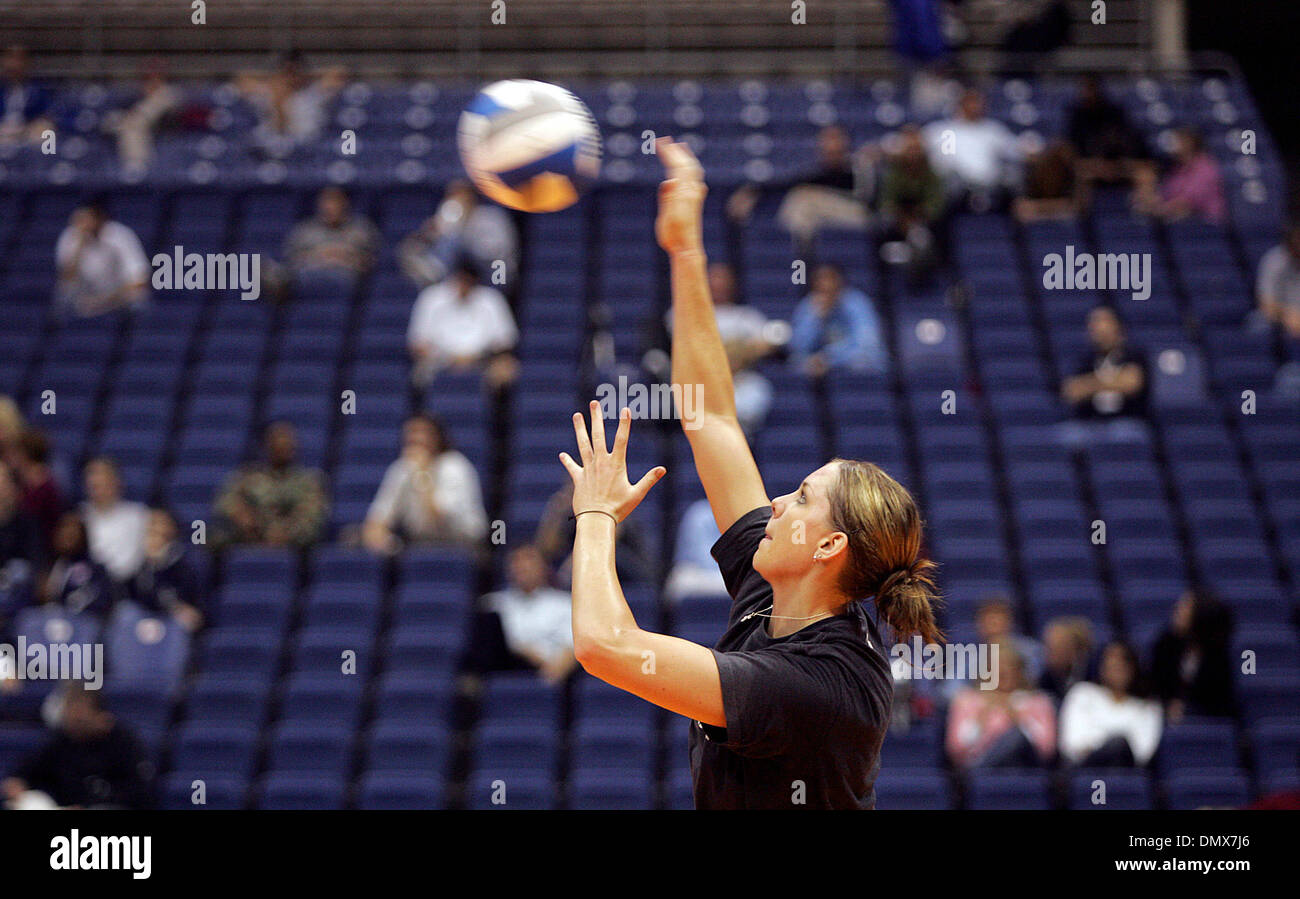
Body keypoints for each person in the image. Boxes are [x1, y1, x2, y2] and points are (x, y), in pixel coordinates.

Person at [555, 138, 940, 809]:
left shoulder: (814, 683)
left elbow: (604, 645)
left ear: (828, 547)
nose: (780, 501)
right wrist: (686, 251)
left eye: (803, 498)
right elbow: (711, 417)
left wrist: (593, 517)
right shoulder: (782, 593)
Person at [657, 262, 782, 437]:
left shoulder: (747, 316)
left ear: (732, 285)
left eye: (723, 281)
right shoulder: (683, 313)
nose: (718, 286)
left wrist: (746, 351)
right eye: (714, 280)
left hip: (740, 382)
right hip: (699, 381)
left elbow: (772, 341)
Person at [727, 124, 876, 256]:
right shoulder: (821, 171)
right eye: (826, 140)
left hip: (863, 216)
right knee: (800, 202)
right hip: (832, 217)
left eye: (835, 139)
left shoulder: (859, 165)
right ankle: (797, 264)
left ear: (846, 142)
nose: (830, 145)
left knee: (803, 200)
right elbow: (793, 181)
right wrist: (753, 191)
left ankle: (799, 261)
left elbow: (869, 199)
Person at [2, 682, 155, 809]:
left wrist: (87, 806)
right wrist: (17, 783)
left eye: (80, 717)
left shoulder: (123, 742)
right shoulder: (62, 739)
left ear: (98, 715)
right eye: (70, 713)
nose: (73, 720)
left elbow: (139, 791)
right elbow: (26, 771)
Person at [362, 414, 487, 554]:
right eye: (411, 433)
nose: (415, 439)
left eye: (422, 432)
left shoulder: (455, 466)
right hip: (420, 545)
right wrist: (381, 537)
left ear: (437, 437)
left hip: (462, 547)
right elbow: (377, 519)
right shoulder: (402, 468)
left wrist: (422, 473)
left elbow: (438, 518)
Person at [466, 544, 577, 685]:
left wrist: (551, 671)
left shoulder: (564, 604)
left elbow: (571, 648)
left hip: (552, 673)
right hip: (506, 672)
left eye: (529, 560)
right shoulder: (492, 604)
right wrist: (525, 652)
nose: (522, 566)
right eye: (516, 561)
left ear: (544, 567)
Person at [406, 257, 519, 390]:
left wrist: (475, 357)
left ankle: (498, 410)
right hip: (438, 362)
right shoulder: (431, 297)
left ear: (475, 281)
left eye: (468, 281)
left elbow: (506, 340)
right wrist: (447, 358)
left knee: (506, 368)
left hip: (482, 361)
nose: (463, 285)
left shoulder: (491, 299)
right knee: (418, 372)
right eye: (461, 280)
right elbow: (417, 342)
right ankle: (424, 410)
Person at [213, 421, 328, 549]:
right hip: (251, 541)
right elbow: (224, 502)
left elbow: (313, 515)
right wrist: (242, 516)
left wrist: (285, 533)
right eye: (278, 441)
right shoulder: (247, 476)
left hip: (294, 548)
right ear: (267, 445)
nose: (283, 445)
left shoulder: (309, 481)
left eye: (287, 441)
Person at [946, 642, 1057, 769]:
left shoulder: (1038, 702)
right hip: (978, 770)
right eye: (997, 668)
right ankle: (982, 770)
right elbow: (956, 749)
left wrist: (1019, 720)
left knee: (1016, 737)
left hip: (1027, 768)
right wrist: (979, 723)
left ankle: (982, 770)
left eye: (1009, 668)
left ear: (1020, 671)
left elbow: (1047, 750)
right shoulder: (967, 700)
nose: (1003, 673)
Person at [398, 179, 519, 289]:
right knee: (444, 242)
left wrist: (464, 231)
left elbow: (497, 251)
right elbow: (443, 243)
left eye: (461, 195)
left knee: (454, 240)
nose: (458, 200)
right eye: (453, 196)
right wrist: (431, 233)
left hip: (497, 267)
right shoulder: (452, 216)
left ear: (471, 196)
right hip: (464, 266)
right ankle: (435, 273)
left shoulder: (491, 215)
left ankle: (437, 270)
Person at [1059, 641, 1163, 768]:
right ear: (1102, 667)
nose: (1116, 670)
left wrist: (1098, 741)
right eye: (1111, 666)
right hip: (1086, 770)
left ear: (1133, 668)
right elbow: (1072, 743)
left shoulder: (1148, 707)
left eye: (1122, 667)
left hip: (1126, 772)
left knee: (1118, 745)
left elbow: (1142, 752)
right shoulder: (1082, 693)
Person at [1057, 306, 1149, 447]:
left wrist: (1089, 384)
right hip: (1090, 423)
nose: (1098, 328)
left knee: (1127, 434)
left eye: (1103, 322)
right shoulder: (1084, 359)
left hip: (1126, 420)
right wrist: (1114, 380)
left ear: (1117, 326)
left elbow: (1132, 383)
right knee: (1066, 435)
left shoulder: (1134, 355)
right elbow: (1071, 391)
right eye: (1094, 323)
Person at [924, 88, 1023, 214]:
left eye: (979, 102)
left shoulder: (993, 129)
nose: (977, 106)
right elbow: (940, 159)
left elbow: (1016, 150)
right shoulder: (946, 131)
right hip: (957, 189)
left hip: (993, 186)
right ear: (960, 104)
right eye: (972, 102)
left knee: (1013, 176)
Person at [876, 124, 949, 283]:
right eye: (910, 149)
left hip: (926, 225)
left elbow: (935, 205)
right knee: (879, 230)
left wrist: (918, 221)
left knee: (936, 234)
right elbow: (887, 204)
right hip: (898, 226)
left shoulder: (931, 174)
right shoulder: (893, 173)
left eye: (917, 149)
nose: (913, 154)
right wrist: (904, 222)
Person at [789, 262, 889, 378]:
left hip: (858, 373)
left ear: (840, 281)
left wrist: (829, 359)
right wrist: (817, 318)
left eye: (830, 279)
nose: (825, 285)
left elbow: (867, 345)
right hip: (819, 372)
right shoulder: (808, 306)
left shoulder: (857, 303)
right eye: (820, 280)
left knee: (863, 361)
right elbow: (797, 348)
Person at [1150, 588, 1235, 722]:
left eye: (1185, 607)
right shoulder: (1166, 644)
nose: (1178, 610)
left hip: (1204, 720)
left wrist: (1188, 709)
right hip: (1163, 716)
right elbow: (1155, 684)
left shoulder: (1219, 656)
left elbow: (1219, 700)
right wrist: (1168, 705)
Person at [54, 202, 151, 318]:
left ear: (99, 219)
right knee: (63, 298)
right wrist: (79, 246)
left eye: (87, 220)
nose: (83, 226)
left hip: (119, 299)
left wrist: (102, 301)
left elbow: (139, 280)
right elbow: (67, 279)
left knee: (138, 298)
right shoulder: (71, 237)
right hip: (85, 301)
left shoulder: (120, 235)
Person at [234, 50, 346, 148]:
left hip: (305, 145)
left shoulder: (311, 93)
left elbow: (339, 72)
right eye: (287, 73)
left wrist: (309, 77)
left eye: (295, 73)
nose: (291, 77)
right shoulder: (269, 91)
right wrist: (274, 81)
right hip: (272, 144)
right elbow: (241, 77)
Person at [282, 186, 379, 296]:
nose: (330, 207)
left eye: (335, 201)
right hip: (308, 279)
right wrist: (318, 256)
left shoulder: (362, 229)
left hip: (347, 279)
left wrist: (343, 256)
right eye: (327, 202)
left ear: (345, 204)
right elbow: (291, 261)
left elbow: (373, 261)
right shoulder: (304, 230)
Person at [1065, 75, 1150, 187]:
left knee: (1145, 173)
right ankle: (1080, 205)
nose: (1088, 93)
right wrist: (1097, 165)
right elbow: (1072, 148)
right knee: (1079, 173)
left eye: (1091, 88)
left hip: (1121, 164)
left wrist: (1116, 164)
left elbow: (1130, 143)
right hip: (1090, 165)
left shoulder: (1114, 113)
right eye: (1085, 89)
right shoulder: (1076, 115)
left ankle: (1142, 205)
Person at [127, 509, 204, 633]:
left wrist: (159, 565)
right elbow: (138, 595)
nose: (155, 530)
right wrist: (151, 565)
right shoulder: (141, 561)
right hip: (148, 614)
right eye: (152, 524)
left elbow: (188, 594)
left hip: (175, 614)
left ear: (171, 529)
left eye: (160, 524)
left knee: (185, 618)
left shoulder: (183, 560)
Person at [1132, 127, 1226, 224]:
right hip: (1179, 224)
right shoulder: (1176, 168)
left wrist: (1154, 209)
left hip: (1206, 227)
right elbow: (1166, 195)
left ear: (1189, 143)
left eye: (1177, 140)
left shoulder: (1205, 167)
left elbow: (1186, 204)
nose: (1172, 144)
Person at [104, 58, 181, 172]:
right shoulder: (133, 98)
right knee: (124, 125)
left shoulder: (170, 94)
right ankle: (136, 166)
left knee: (132, 125)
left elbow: (173, 120)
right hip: (138, 131)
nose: (152, 81)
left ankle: (137, 165)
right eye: (148, 78)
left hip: (162, 131)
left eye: (157, 77)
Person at [80, 457, 149, 585]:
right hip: (85, 584)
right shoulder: (79, 516)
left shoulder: (137, 516)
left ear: (116, 482)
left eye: (103, 482)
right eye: (93, 485)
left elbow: (134, 562)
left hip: (125, 586)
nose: (97, 488)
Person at [1252, 223, 1300, 395]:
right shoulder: (1275, 260)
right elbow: (1266, 304)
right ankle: (1257, 372)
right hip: (1279, 319)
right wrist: (1287, 315)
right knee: (1258, 323)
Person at [39, 513, 114, 619]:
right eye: (63, 530)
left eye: (72, 532)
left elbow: (101, 602)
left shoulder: (95, 569)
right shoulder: (49, 565)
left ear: (83, 535)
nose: (66, 535)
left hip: (80, 623)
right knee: (25, 625)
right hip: (48, 621)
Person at [9, 429, 66, 567]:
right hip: (23, 547)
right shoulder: (21, 483)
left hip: (44, 551)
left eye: (15, 452)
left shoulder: (46, 487)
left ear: (24, 455)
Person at [0, 463, 40, 623]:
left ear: (14, 489)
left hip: (15, 591)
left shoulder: (27, 523)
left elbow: (35, 562)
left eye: (3, 483)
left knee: (19, 570)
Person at [1013, 139, 1082, 223]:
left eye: (1059, 166)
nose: (1055, 171)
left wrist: (1037, 207)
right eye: (1053, 165)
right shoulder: (1031, 175)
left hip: (1064, 227)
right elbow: (1021, 209)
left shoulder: (1072, 175)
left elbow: (1076, 207)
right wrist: (1057, 206)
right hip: (1035, 227)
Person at [0, 45, 54, 146]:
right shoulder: (1, 89)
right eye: (10, 58)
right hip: (2, 131)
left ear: (26, 62)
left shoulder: (38, 90)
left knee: (45, 130)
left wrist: (24, 129)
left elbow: (45, 116)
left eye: (19, 59)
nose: (14, 64)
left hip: (26, 132)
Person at [1037, 615, 1094, 702]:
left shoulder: (1093, 674)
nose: (1051, 654)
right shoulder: (1044, 680)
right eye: (1049, 647)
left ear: (1075, 649)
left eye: (1059, 647)